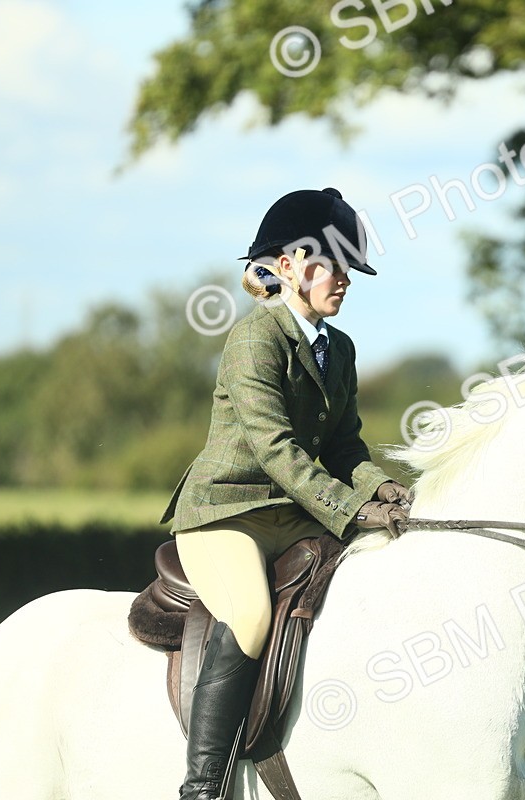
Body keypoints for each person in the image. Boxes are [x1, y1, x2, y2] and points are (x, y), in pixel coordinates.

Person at [159, 187, 411, 800]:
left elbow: (346, 448)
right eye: (328, 264)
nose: (342, 279)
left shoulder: (340, 349)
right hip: (227, 513)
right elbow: (277, 450)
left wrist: (388, 492)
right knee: (249, 616)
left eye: (348, 266)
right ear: (289, 265)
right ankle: (203, 787)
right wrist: (354, 511)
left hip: (294, 515)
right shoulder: (255, 339)